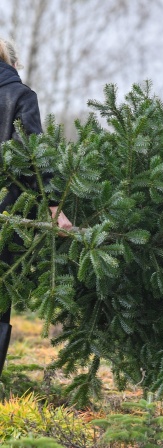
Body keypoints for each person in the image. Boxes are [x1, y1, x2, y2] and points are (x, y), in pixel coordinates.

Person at [0, 38, 72, 376]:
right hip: (7, 213)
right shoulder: (20, 95)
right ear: (13, 63)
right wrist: (55, 206)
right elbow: (33, 157)